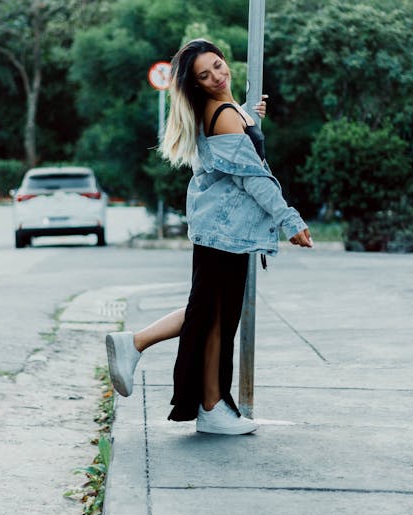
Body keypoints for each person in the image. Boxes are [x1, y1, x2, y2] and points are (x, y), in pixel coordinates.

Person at [106, 39, 313, 435]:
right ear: (196, 84)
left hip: (221, 229)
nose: (217, 76)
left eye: (218, 65)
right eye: (205, 75)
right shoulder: (222, 115)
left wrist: (249, 115)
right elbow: (253, 177)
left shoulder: (225, 112)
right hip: (224, 231)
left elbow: (239, 152)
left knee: (214, 314)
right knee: (212, 316)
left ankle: (207, 403)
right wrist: (290, 220)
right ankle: (149, 355)